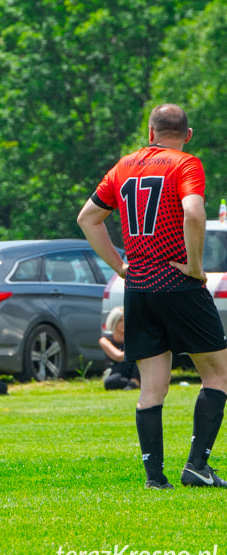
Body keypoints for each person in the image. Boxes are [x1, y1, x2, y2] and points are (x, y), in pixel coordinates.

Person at [78, 103, 227, 490]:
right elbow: (193, 213)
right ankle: (196, 466)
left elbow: (87, 219)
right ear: (188, 135)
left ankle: (154, 477)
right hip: (179, 284)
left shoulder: (123, 166)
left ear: (150, 133)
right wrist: (195, 265)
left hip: (139, 286)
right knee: (217, 373)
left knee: (152, 385)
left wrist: (120, 266)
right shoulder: (186, 163)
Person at [99, 306, 140, 391]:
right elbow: (118, 356)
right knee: (110, 382)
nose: (124, 323)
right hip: (119, 371)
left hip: (135, 369)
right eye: (120, 320)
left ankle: (135, 381)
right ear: (114, 322)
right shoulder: (105, 340)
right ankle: (132, 384)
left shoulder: (133, 338)